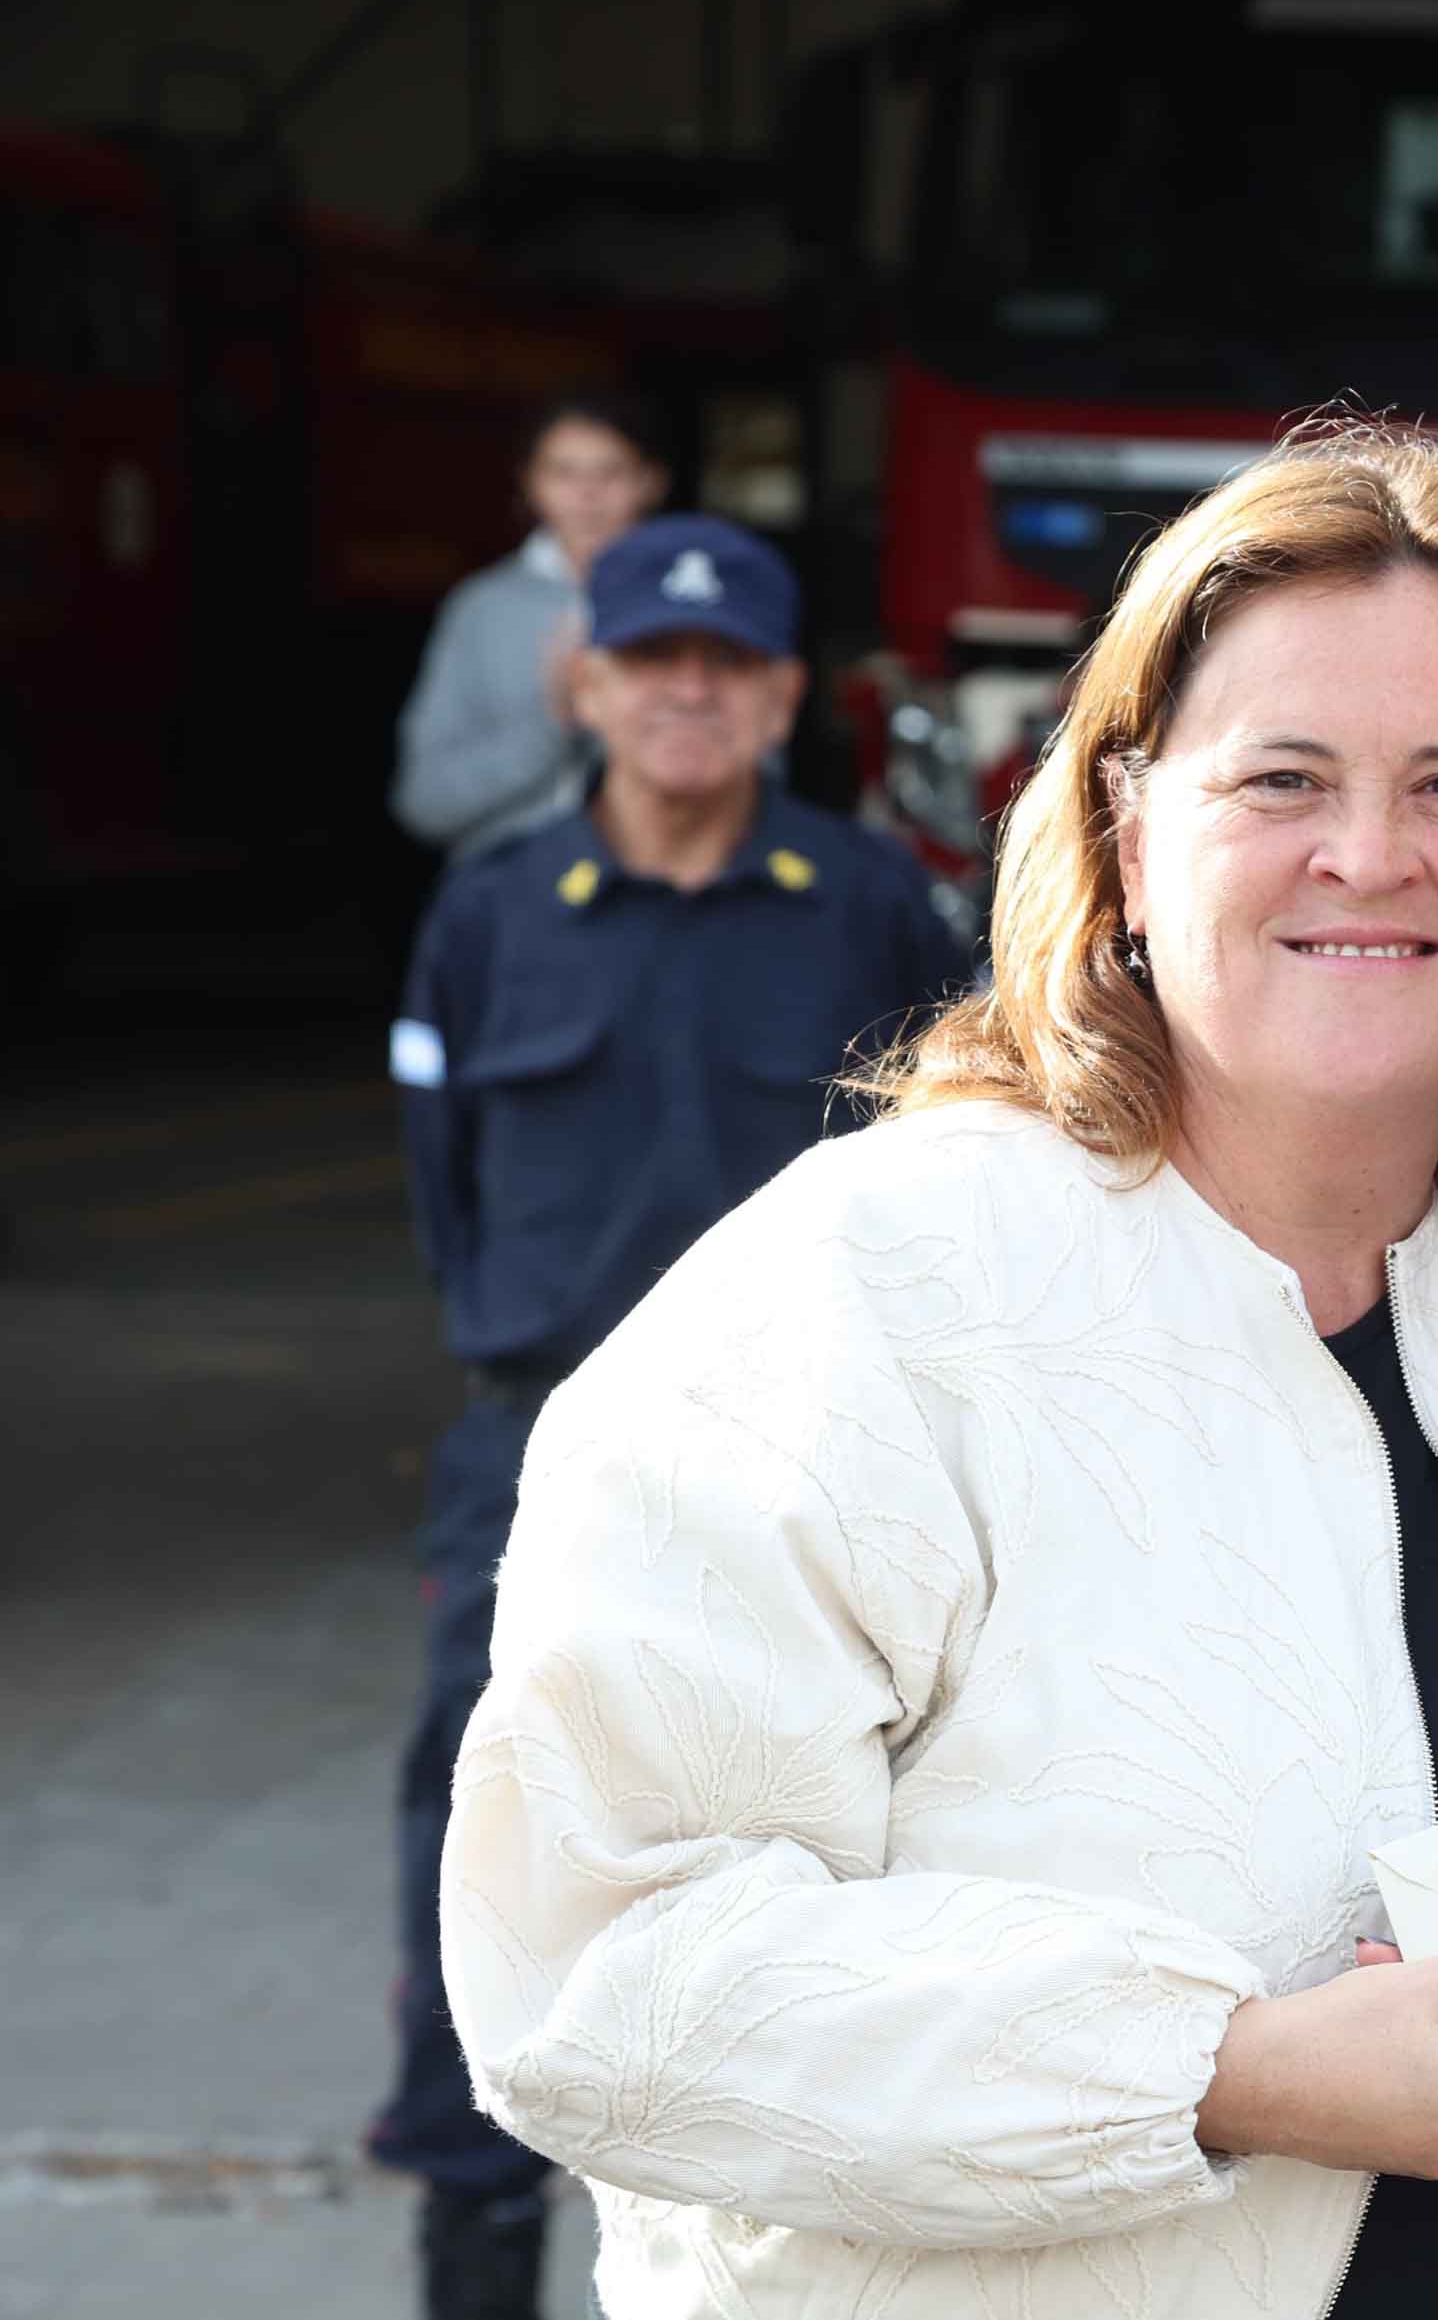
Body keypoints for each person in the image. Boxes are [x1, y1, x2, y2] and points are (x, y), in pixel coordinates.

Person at [437, 434, 1438, 2318]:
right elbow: (595, 1974)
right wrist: (1224, 2070)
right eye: (1281, 778)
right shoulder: (854, 1301)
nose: (1369, 854)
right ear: (1126, 831)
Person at [377, 513, 966, 2318]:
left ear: (784, 696)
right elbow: (445, 1192)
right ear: (588, 684)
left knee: (824, 1855)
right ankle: (476, 2243)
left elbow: (957, 1180)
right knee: (482, 1847)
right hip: (530, 1455)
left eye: (726, 665)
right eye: (651, 662)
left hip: (818, 1467)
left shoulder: (870, 908)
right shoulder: (491, 914)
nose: (686, 694)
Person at [391, 389, 673, 862]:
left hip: (659, 887)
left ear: (650, 482)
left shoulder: (694, 604)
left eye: (610, 472)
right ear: (530, 483)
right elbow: (423, 804)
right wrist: (553, 722)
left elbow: (758, 778)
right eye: (564, 472)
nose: (587, 495)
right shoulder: (483, 608)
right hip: (506, 887)